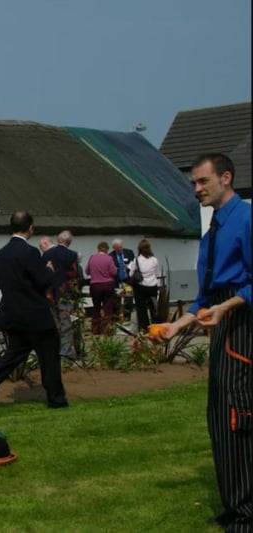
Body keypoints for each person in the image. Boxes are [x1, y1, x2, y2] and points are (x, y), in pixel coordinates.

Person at [160, 153, 251, 530]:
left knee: (238, 417)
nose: (196, 189)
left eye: (202, 182)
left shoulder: (246, 220)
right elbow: (205, 294)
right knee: (218, 416)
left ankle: (247, 515)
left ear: (225, 178)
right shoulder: (212, 229)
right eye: (194, 183)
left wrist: (226, 307)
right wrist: (179, 323)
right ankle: (234, 506)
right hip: (221, 323)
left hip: (243, 325)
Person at [0, 211, 68, 412]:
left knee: (11, 358)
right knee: (49, 357)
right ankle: (56, 399)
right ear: (30, 228)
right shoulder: (30, 252)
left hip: (12, 314)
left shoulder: (2, 254)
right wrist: (48, 269)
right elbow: (42, 281)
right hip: (34, 315)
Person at [42, 230, 80, 357]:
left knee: (54, 323)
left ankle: (55, 349)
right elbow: (75, 275)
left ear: (58, 240)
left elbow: (43, 274)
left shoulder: (47, 254)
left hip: (51, 293)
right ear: (69, 242)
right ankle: (67, 352)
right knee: (67, 323)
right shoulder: (72, 255)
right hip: (66, 293)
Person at [85, 242, 118, 335]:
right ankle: (107, 328)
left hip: (95, 285)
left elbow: (87, 271)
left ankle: (95, 329)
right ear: (107, 249)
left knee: (96, 307)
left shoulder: (92, 257)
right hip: (108, 284)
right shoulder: (109, 258)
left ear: (98, 249)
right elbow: (114, 272)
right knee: (108, 307)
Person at [128, 239, 159, 332]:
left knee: (141, 308)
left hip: (141, 286)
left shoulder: (137, 260)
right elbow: (156, 274)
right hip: (153, 285)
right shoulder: (154, 260)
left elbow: (131, 274)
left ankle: (144, 327)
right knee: (153, 307)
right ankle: (155, 325)